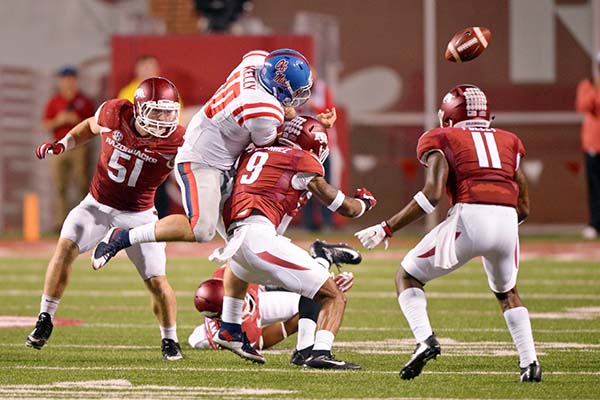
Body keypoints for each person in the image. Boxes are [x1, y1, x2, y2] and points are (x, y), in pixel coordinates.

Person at [355, 84, 542, 382]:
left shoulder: (442, 137)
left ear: (449, 117)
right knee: (508, 293)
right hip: (507, 221)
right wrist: (500, 226)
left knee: (407, 276)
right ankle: (530, 363)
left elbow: (432, 195)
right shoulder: (509, 140)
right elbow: (525, 205)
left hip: (470, 216)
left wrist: (386, 228)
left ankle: (425, 339)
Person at [91, 48, 335, 269]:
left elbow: (277, 108)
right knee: (202, 229)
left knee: (249, 244)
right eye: (295, 92)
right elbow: (269, 148)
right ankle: (124, 236)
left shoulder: (256, 62)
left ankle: (248, 308)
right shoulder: (261, 109)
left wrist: (302, 121)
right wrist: (307, 128)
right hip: (203, 160)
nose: (298, 98)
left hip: (224, 158)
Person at [27, 77, 186, 361]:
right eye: (157, 111)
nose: (164, 119)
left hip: (139, 215)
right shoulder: (114, 113)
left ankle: (170, 339)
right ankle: (45, 318)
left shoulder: (179, 140)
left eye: (169, 111)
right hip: (98, 205)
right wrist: (63, 144)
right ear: (138, 109)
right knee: (65, 248)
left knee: (157, 281)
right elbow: (89, 125)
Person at [208, 115, 376, 369]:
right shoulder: (301, 160)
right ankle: (321, 352)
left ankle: (232, 327)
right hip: (260, 238)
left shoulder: (254, 150)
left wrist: (313, 125)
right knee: (334, 296)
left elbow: (291, 138)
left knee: (308, 283)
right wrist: (365, 202)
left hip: (236, 239)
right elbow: (345, 208)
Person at [188, 256, 356, 362]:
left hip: (259, 291)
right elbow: (285, 329)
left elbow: (275, 271)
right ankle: (322, 260)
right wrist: (321, 296)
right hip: (243, 316)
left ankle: (321, 258)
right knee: (313, 300)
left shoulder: (228, 273)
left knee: (307, 286)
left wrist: (322, 284)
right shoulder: (239, 333)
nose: (241, 306)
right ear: (220, 317)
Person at [117, 55, 171, 218]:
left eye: (151, 67)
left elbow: (176, 120)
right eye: (144, 67)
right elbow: (122, 123)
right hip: (134, 150)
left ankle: (160, 226)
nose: (148, 71)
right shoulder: (127, 92)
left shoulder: (166, 91)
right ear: (137, 70)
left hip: (159, 149)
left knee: (159, 191)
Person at [42, 66, 95, 230]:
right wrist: (59, 120)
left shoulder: (84, 101)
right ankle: (60, 222)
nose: (68, 83)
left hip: (78, 148)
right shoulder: (55, 101)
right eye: (64, 79)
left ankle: (83, 221)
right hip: (58, 146)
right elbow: (45, 124)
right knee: (60, 186)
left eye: (71, 79)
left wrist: (76, 120)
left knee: (81, 184)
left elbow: (94, 124)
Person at [296, 68, 337, 231]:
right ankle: (308, 223)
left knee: (326, 183)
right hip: (304, 145)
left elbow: (329, 111)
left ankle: (328, 222)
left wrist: (314, 106)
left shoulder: (322, 88)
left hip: (322, 143)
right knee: (306, 184)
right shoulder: (297, 89)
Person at [575, 55, 600, 240]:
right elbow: (583, 106)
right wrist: (595, 88)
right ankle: (595, 223)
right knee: (595, 186)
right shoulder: (588, 85)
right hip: (593, 143)